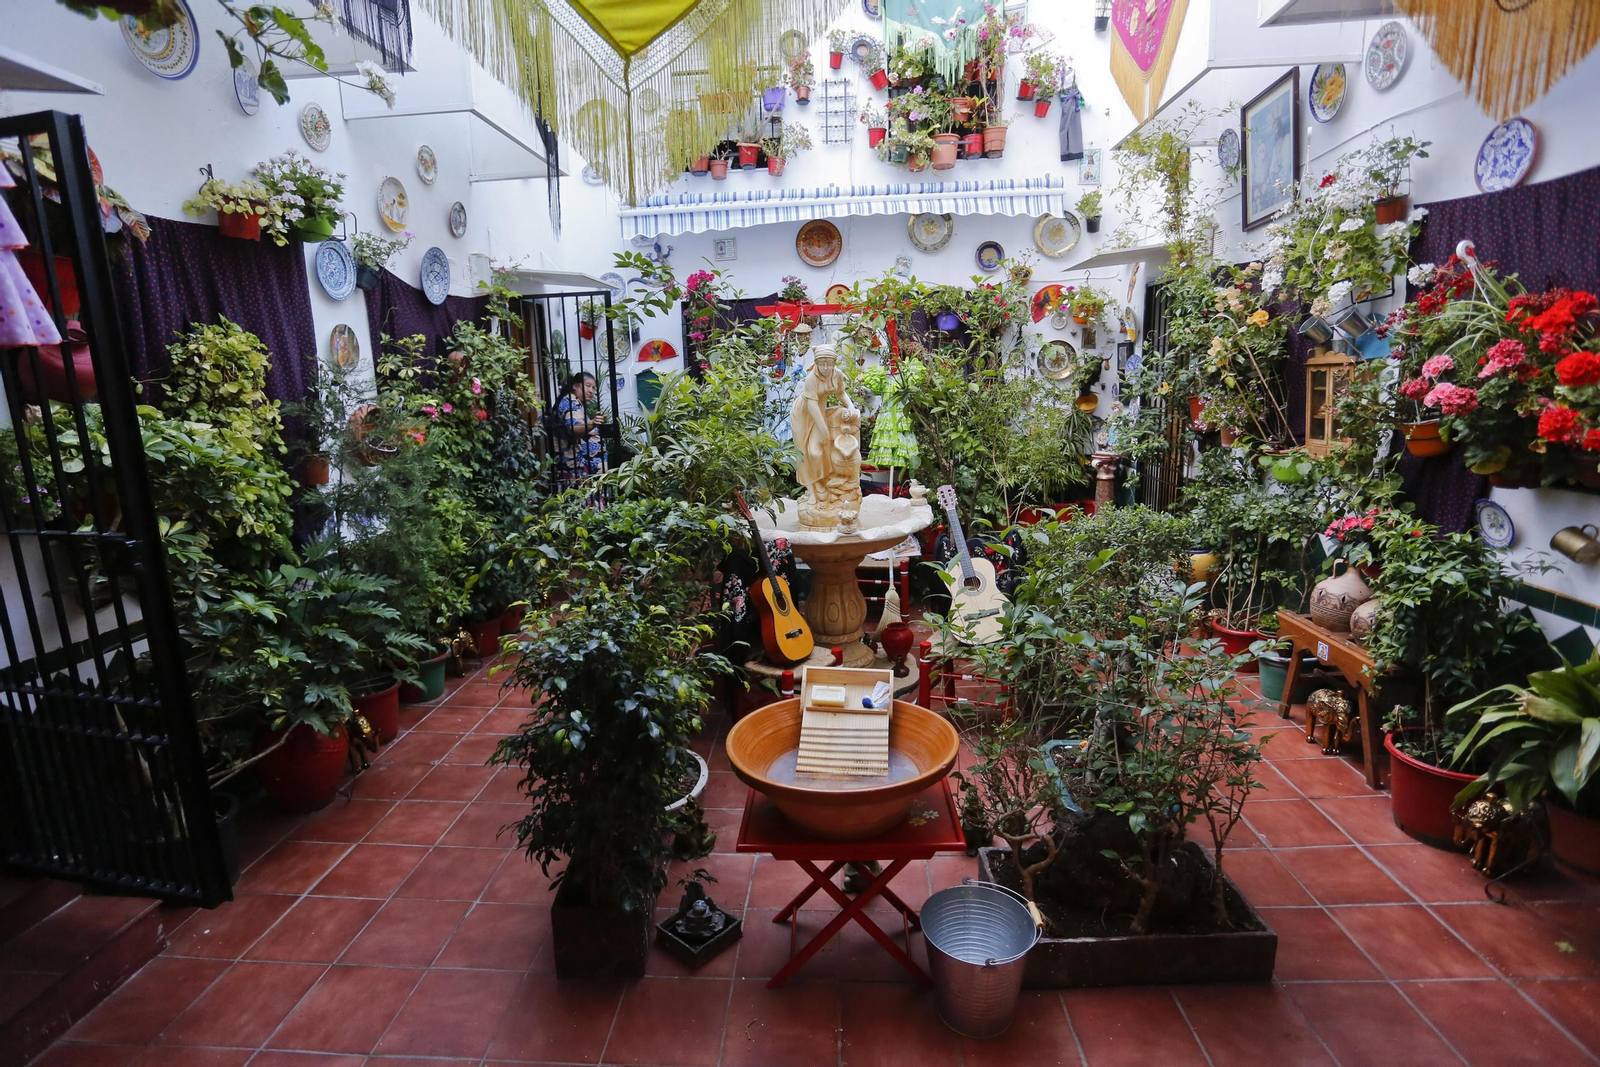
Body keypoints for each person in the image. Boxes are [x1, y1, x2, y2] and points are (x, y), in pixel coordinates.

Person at [557, 371, 607, 482]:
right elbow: (574, 428)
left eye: (593, 388)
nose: (591, 391)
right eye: (588, 386)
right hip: (577, 467)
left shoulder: (573, 401)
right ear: (575, 386)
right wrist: (593, 423)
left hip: (580, 466)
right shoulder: (572, 402)